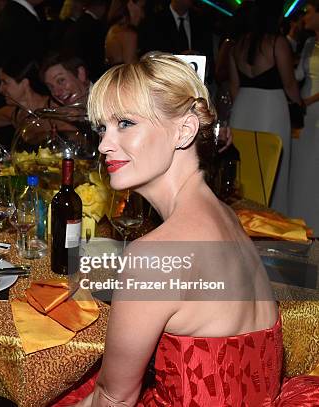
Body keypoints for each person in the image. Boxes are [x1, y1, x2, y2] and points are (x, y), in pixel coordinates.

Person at [59, 53, 319, 406]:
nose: (104, 143)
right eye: (102, 127)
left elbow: (114, 399)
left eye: (125, 124)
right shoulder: (226, 216)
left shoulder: (154, 256)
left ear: (183, 130)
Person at [228, 1, 303, 215]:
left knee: (246, 169)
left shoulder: (238, 45)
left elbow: (234, 87)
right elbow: (290, 84)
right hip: (271, 107)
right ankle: (273, 221)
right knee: (273, 168)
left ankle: (242, 219)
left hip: (243, 106)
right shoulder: (276, 42)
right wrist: (300, 105)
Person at [290, 0, 319, 232]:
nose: (304, 16)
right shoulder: (309, 42)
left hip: (314, 107)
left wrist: (308, 101)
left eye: (308, 12)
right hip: (304, 110)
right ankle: (301, 220)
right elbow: (298, 73)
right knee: (302, 163)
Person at [0, 58, 55, 129]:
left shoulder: (53, 108)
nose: (0, 89)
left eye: (5, 82)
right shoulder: (15, 112)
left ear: (24, 83)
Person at [104, 0, 146, 66]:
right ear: (130, 5)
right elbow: (131, 71)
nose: (142, 15)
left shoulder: (113, 30)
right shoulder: (128, 35)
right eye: (142, 7)